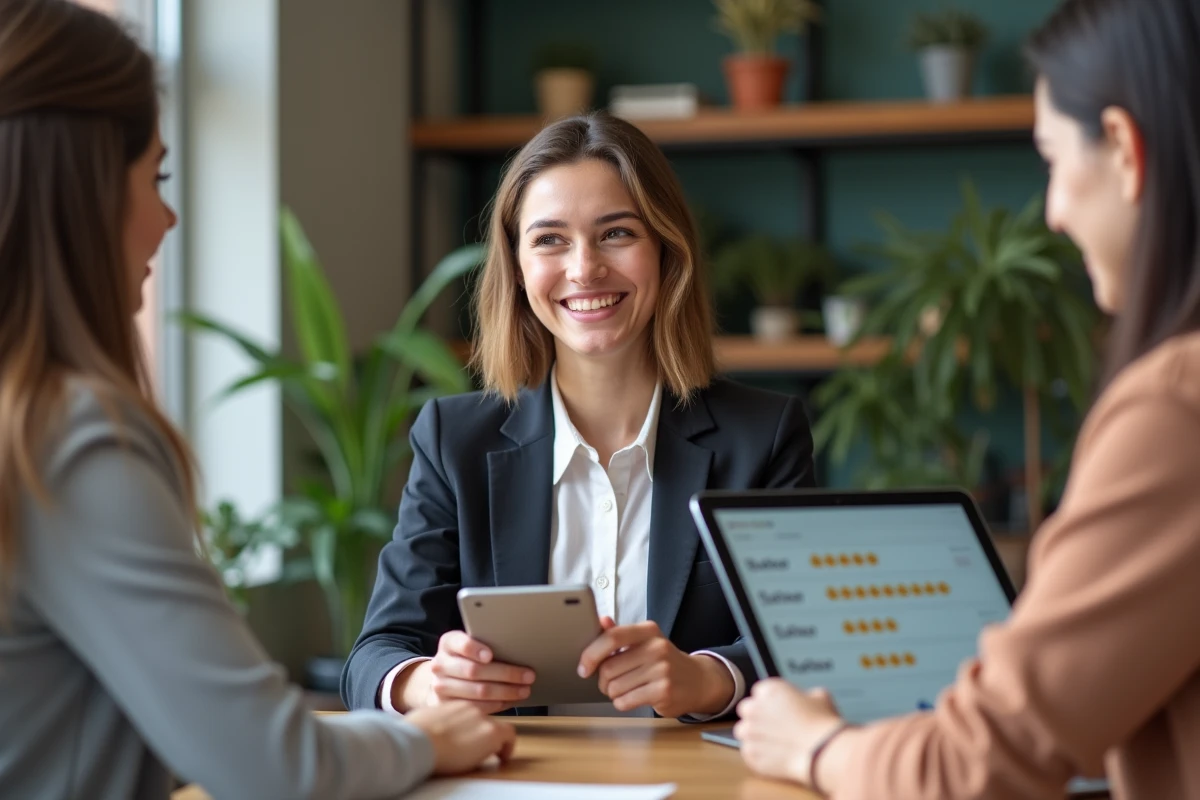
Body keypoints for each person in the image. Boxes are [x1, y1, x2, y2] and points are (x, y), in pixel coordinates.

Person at [0, 2, 514, 798]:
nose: (167, 218)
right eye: (156, 177)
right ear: (84, 188)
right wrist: (420, 738)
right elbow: (274, 766)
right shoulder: (68, 437)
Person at [732, 0, 1200, 797]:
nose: (1053, 212)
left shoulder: (1177, 408)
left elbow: (971, 769)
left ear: (1124, 149)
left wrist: (815, 745)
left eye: (1052, 159)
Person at [342, 113, 816, 720]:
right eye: (550, 239)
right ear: (517, 268)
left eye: (616, 233)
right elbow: (375, 655)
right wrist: (428, 683)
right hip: (513, 768)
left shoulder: (764, 437)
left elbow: (803, 643)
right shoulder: (453, 441)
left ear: (667, 251)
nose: (585, 268)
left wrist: (707, 678)